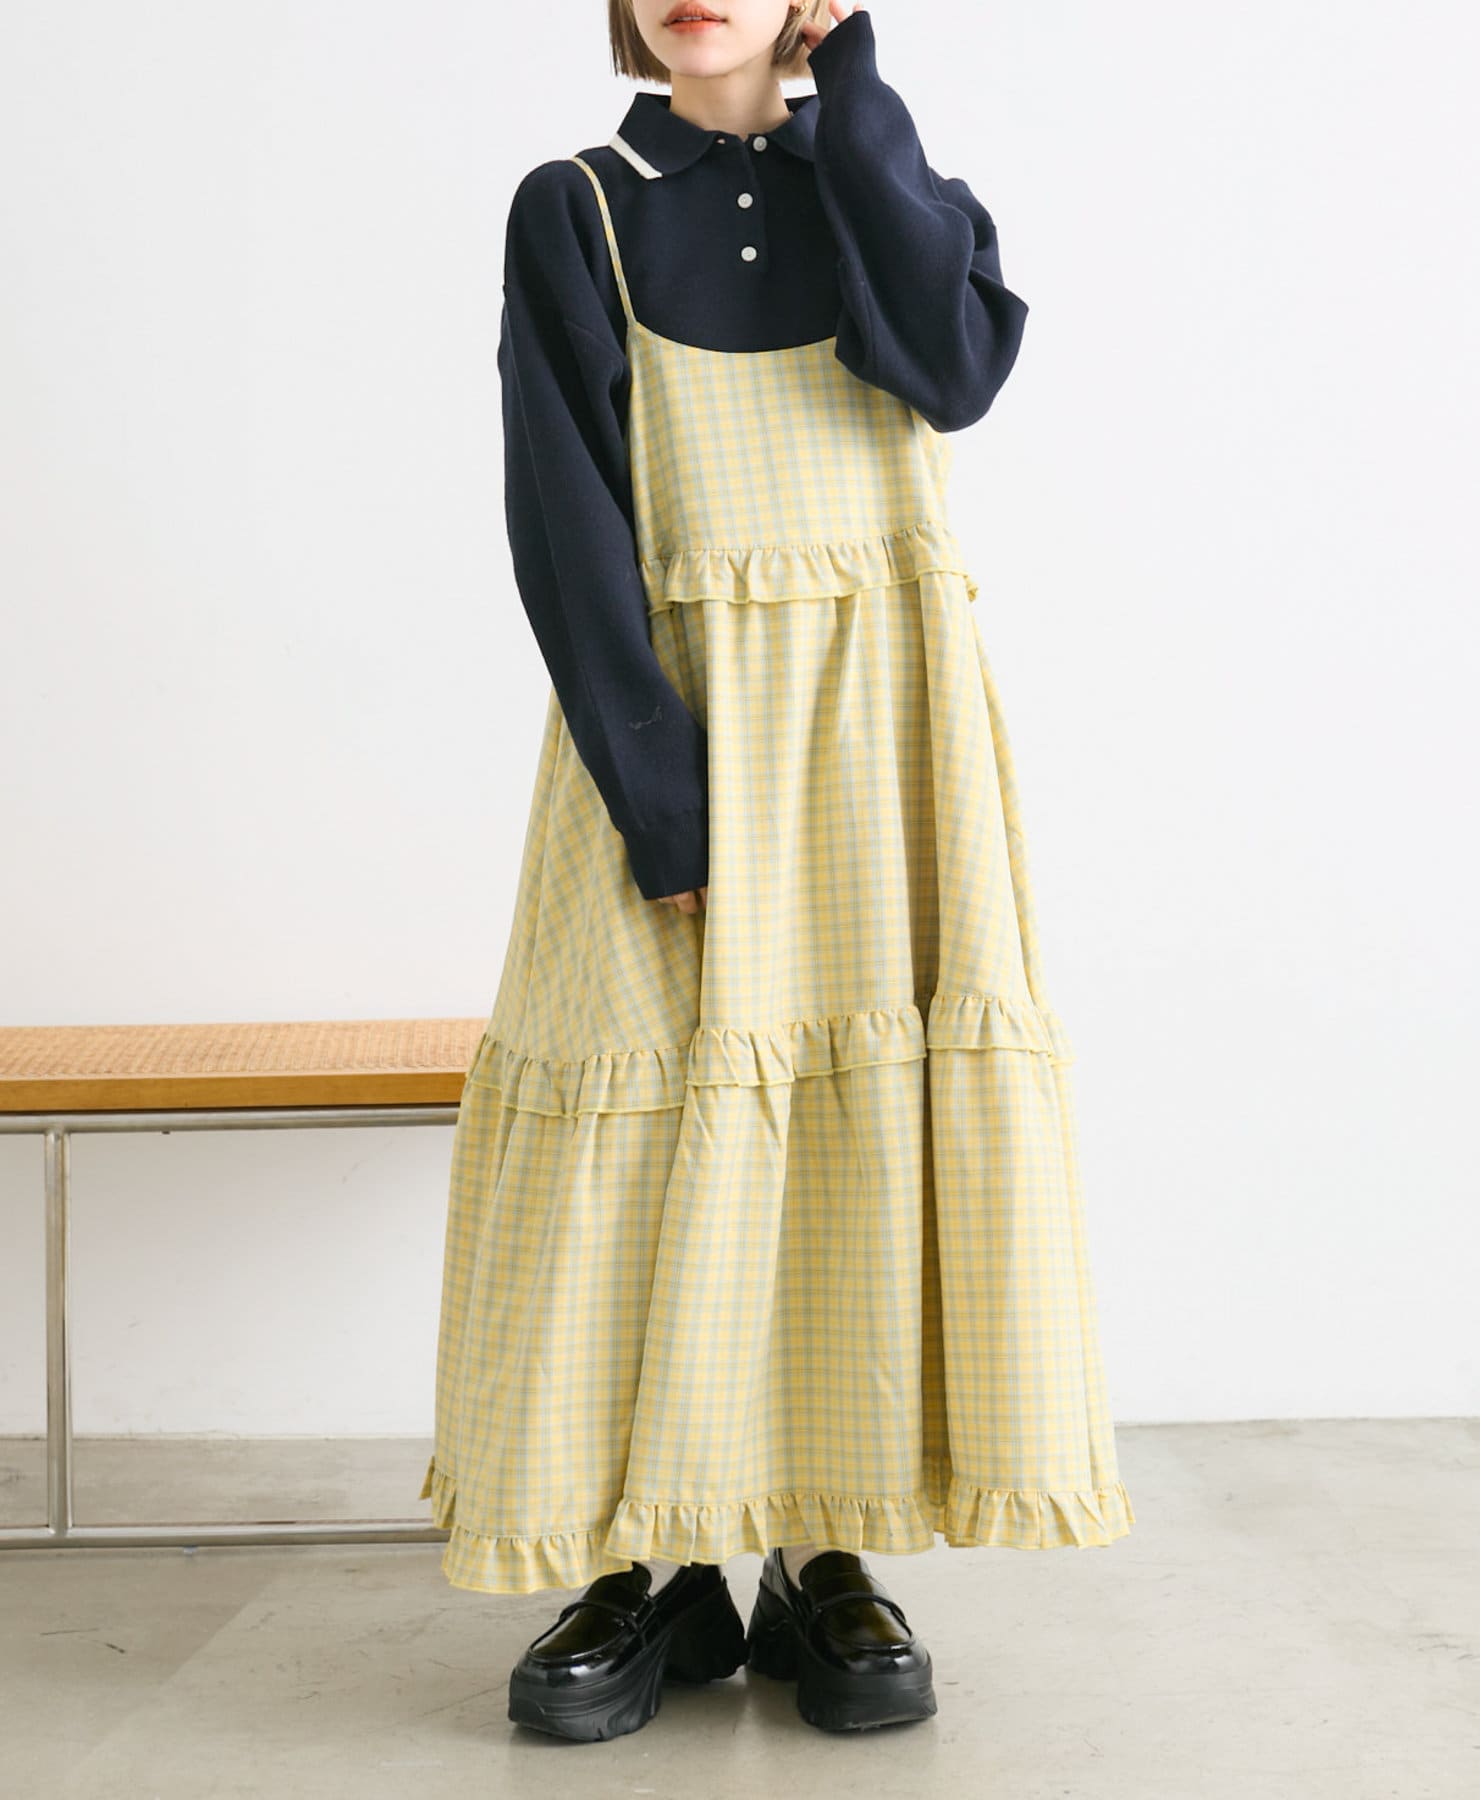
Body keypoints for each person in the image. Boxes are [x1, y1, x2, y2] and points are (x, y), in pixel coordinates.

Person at [421, 0, 1135, 1742]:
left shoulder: (882, 185)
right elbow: (563, 517)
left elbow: (954, 372)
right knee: (650, 1110)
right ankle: (656, 1565)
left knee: (846, 1133)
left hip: (884, 728)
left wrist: (853, 81)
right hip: (673, 725)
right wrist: (660, 800)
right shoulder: (578, 203)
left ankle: (826, 1551)